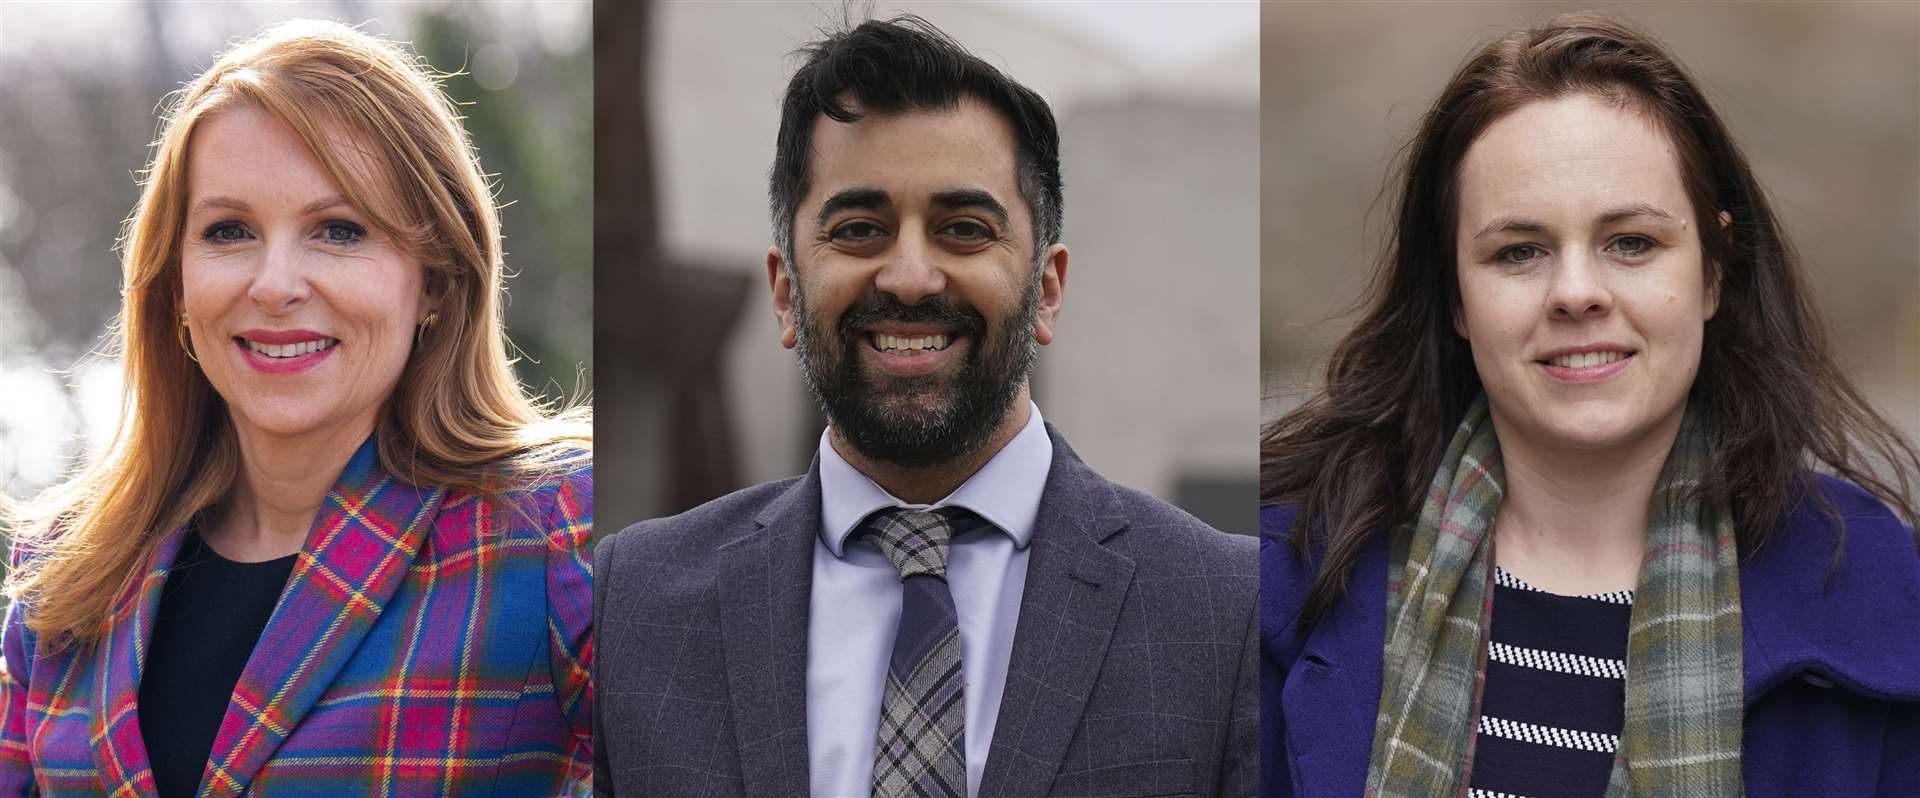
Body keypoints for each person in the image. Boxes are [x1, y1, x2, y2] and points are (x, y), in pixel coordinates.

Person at [593, 16, 1257, 798]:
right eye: (860, 229)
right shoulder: (628, 604)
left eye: (964, 230)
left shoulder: (1226, 611)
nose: (910, 277)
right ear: (785, 292)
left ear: (1046, 290)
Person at [1259, 13, 1920, 798]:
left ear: (1713, 272)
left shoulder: (1879, 593)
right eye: (1519, 252)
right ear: (1456, 299)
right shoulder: (1276, 580)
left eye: (1632, 243)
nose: (1577, 293)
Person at [0, 21, 593, 796]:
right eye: (230, 231)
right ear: (176, 285)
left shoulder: (557, 531)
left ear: (437, 283)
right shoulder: (64, 574)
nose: (274, 284)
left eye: (339, 231)